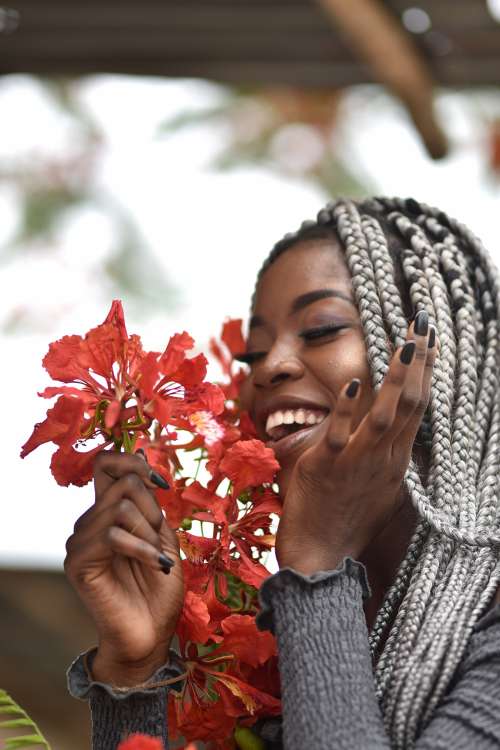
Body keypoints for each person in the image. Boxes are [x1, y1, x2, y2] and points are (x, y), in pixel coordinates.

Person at [64, 197, 500, 749]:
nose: (268, 368)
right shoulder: (285, 636)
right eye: (252, 356)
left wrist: (319, 566)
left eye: (321, 328)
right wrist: (134, 671)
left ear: (444, 360)